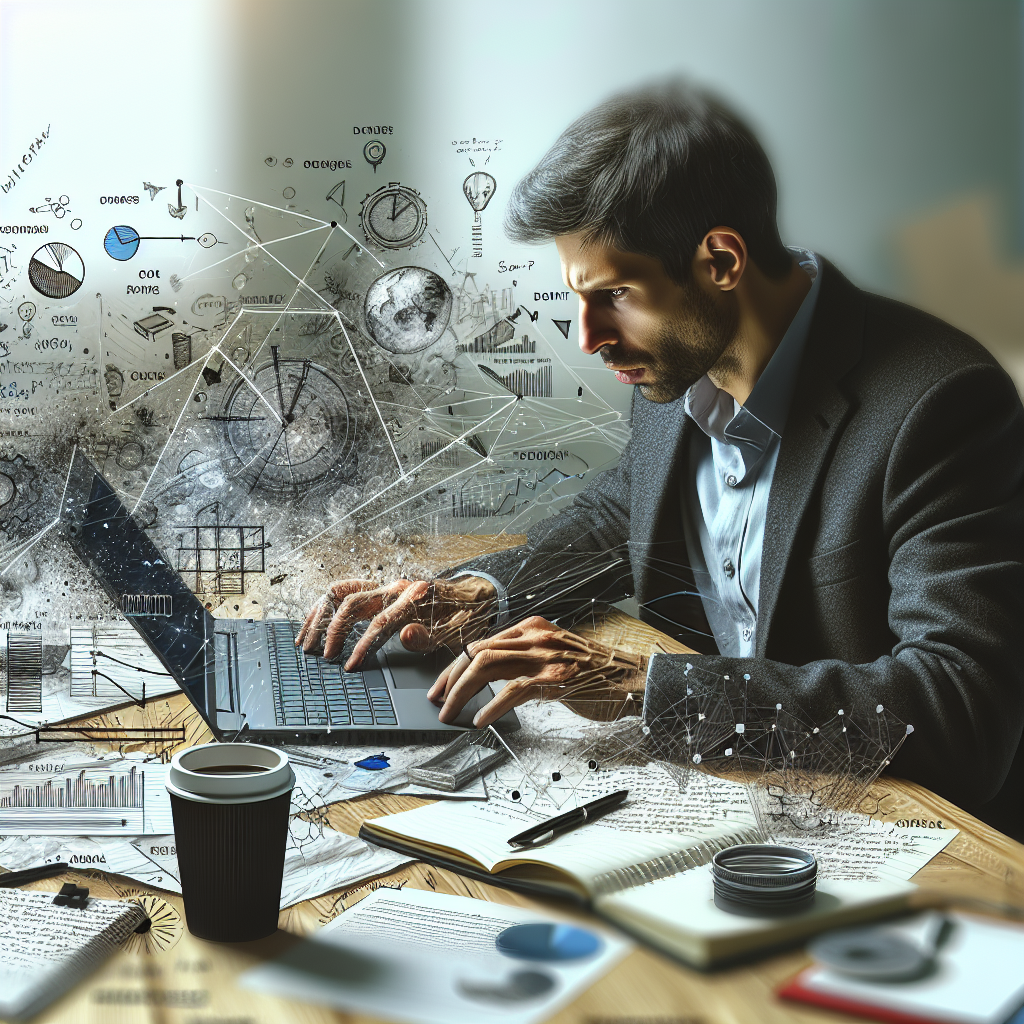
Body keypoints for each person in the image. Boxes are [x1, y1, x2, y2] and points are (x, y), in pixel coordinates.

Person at [298, 81, 1024, 835]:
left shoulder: (940, 406)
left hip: (906, 835)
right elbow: (624, 515)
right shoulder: (681, 359)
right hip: (721, 797)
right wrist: (481, 596)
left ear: (719, 260)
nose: (590, 336)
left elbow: (963, 711)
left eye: (613, 294)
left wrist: (645, 686)